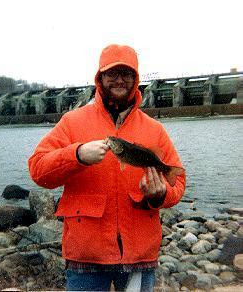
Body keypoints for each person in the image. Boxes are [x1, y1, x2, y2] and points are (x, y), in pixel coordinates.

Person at [28, 44, 186, 291]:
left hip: (139, 256)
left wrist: (161, 194)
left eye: (127, 73)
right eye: (112, 73)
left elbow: (178, 183)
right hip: (86, 256)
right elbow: (38, 169)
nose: (119, 80)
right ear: (99, 78)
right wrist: (77, 154)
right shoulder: (72, 122)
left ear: (136, 79)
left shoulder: (155, 129)